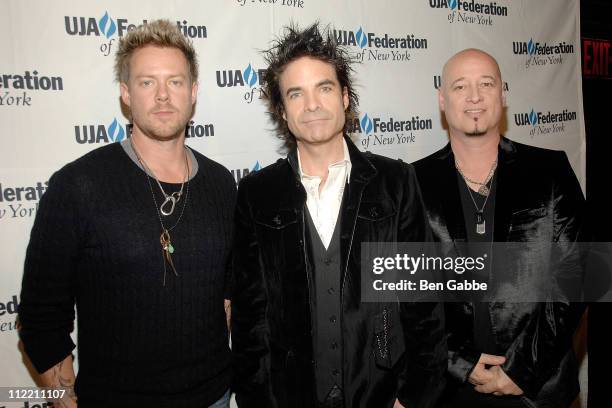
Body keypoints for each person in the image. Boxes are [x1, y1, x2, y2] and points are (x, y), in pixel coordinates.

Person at [18, 20, 235, 407]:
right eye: (147, 82)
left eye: (176, 81)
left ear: (194, 92)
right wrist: (66, 401)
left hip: (214, 397)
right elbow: (41, 317)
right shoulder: (77, 185)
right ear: (126, 94)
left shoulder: (221, 183)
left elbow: (229, 297)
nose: (163, 96)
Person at [231, 22, 446, 408]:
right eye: (296, 94)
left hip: (382, 396)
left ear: (345, 97)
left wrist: (413, 397)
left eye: (324, 88)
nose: (312, 104)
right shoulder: (256, 194)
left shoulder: (396, 181)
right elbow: (251, 324)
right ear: (281, 110)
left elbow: (423, 304)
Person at [412, 48, 586, 407]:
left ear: (503, 95)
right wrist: (458, 362)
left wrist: (523, 369)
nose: (474, 97)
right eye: (460, 87)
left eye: (486, 84)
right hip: (449, 391)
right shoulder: (412, 181)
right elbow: (405, 293)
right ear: (442, 100)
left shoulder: (550, 170)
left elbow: (578, 275)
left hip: (539, 390)